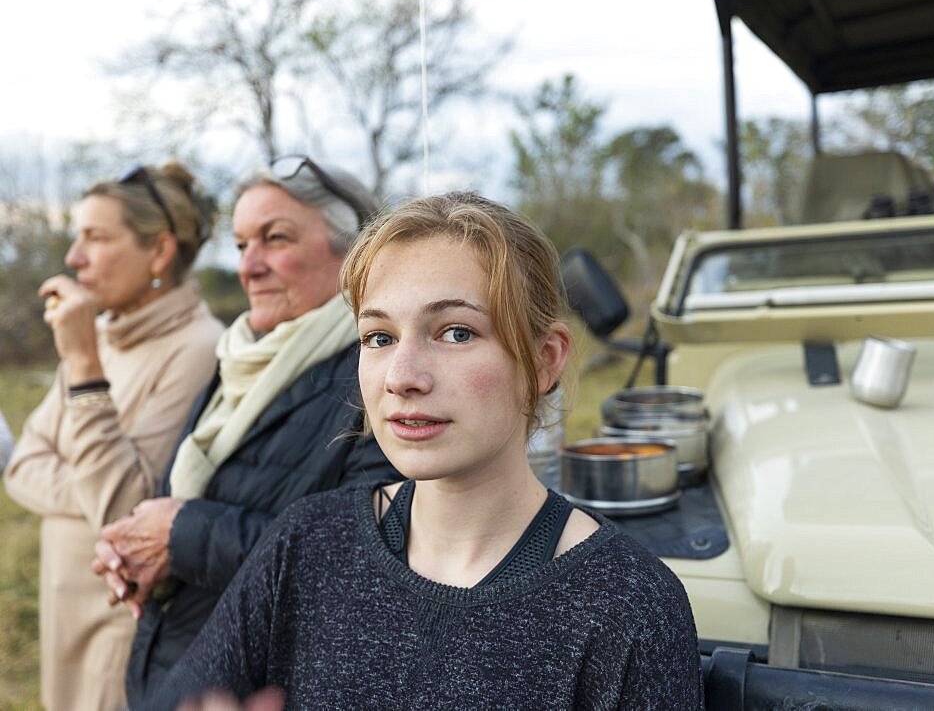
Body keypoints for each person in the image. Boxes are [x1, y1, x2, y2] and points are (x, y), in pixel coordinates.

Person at [148, 192, 705, 710]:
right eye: (379, 337)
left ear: (544, 360)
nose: (402, 377)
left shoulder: (627, 605)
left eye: (456, 332)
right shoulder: (306, 546)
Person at [92, 155, 399, 707]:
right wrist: (140, 557)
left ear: (353, 253)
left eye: (274, 239)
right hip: (178, 667)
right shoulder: (239, 359)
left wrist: (179, 537)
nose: (248, 266)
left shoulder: (380, 376)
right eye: (239, 245)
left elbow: (361, 564)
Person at [3, 162, 224, 711]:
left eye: (96, 238)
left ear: (159, 251)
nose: (74, 258)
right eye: (76, 237)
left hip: (120, 625)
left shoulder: (198, 348)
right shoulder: (100, 332)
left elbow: (126, 505)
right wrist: (95, 485)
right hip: (61, 609)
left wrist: (82, 363)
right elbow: (20, 466)